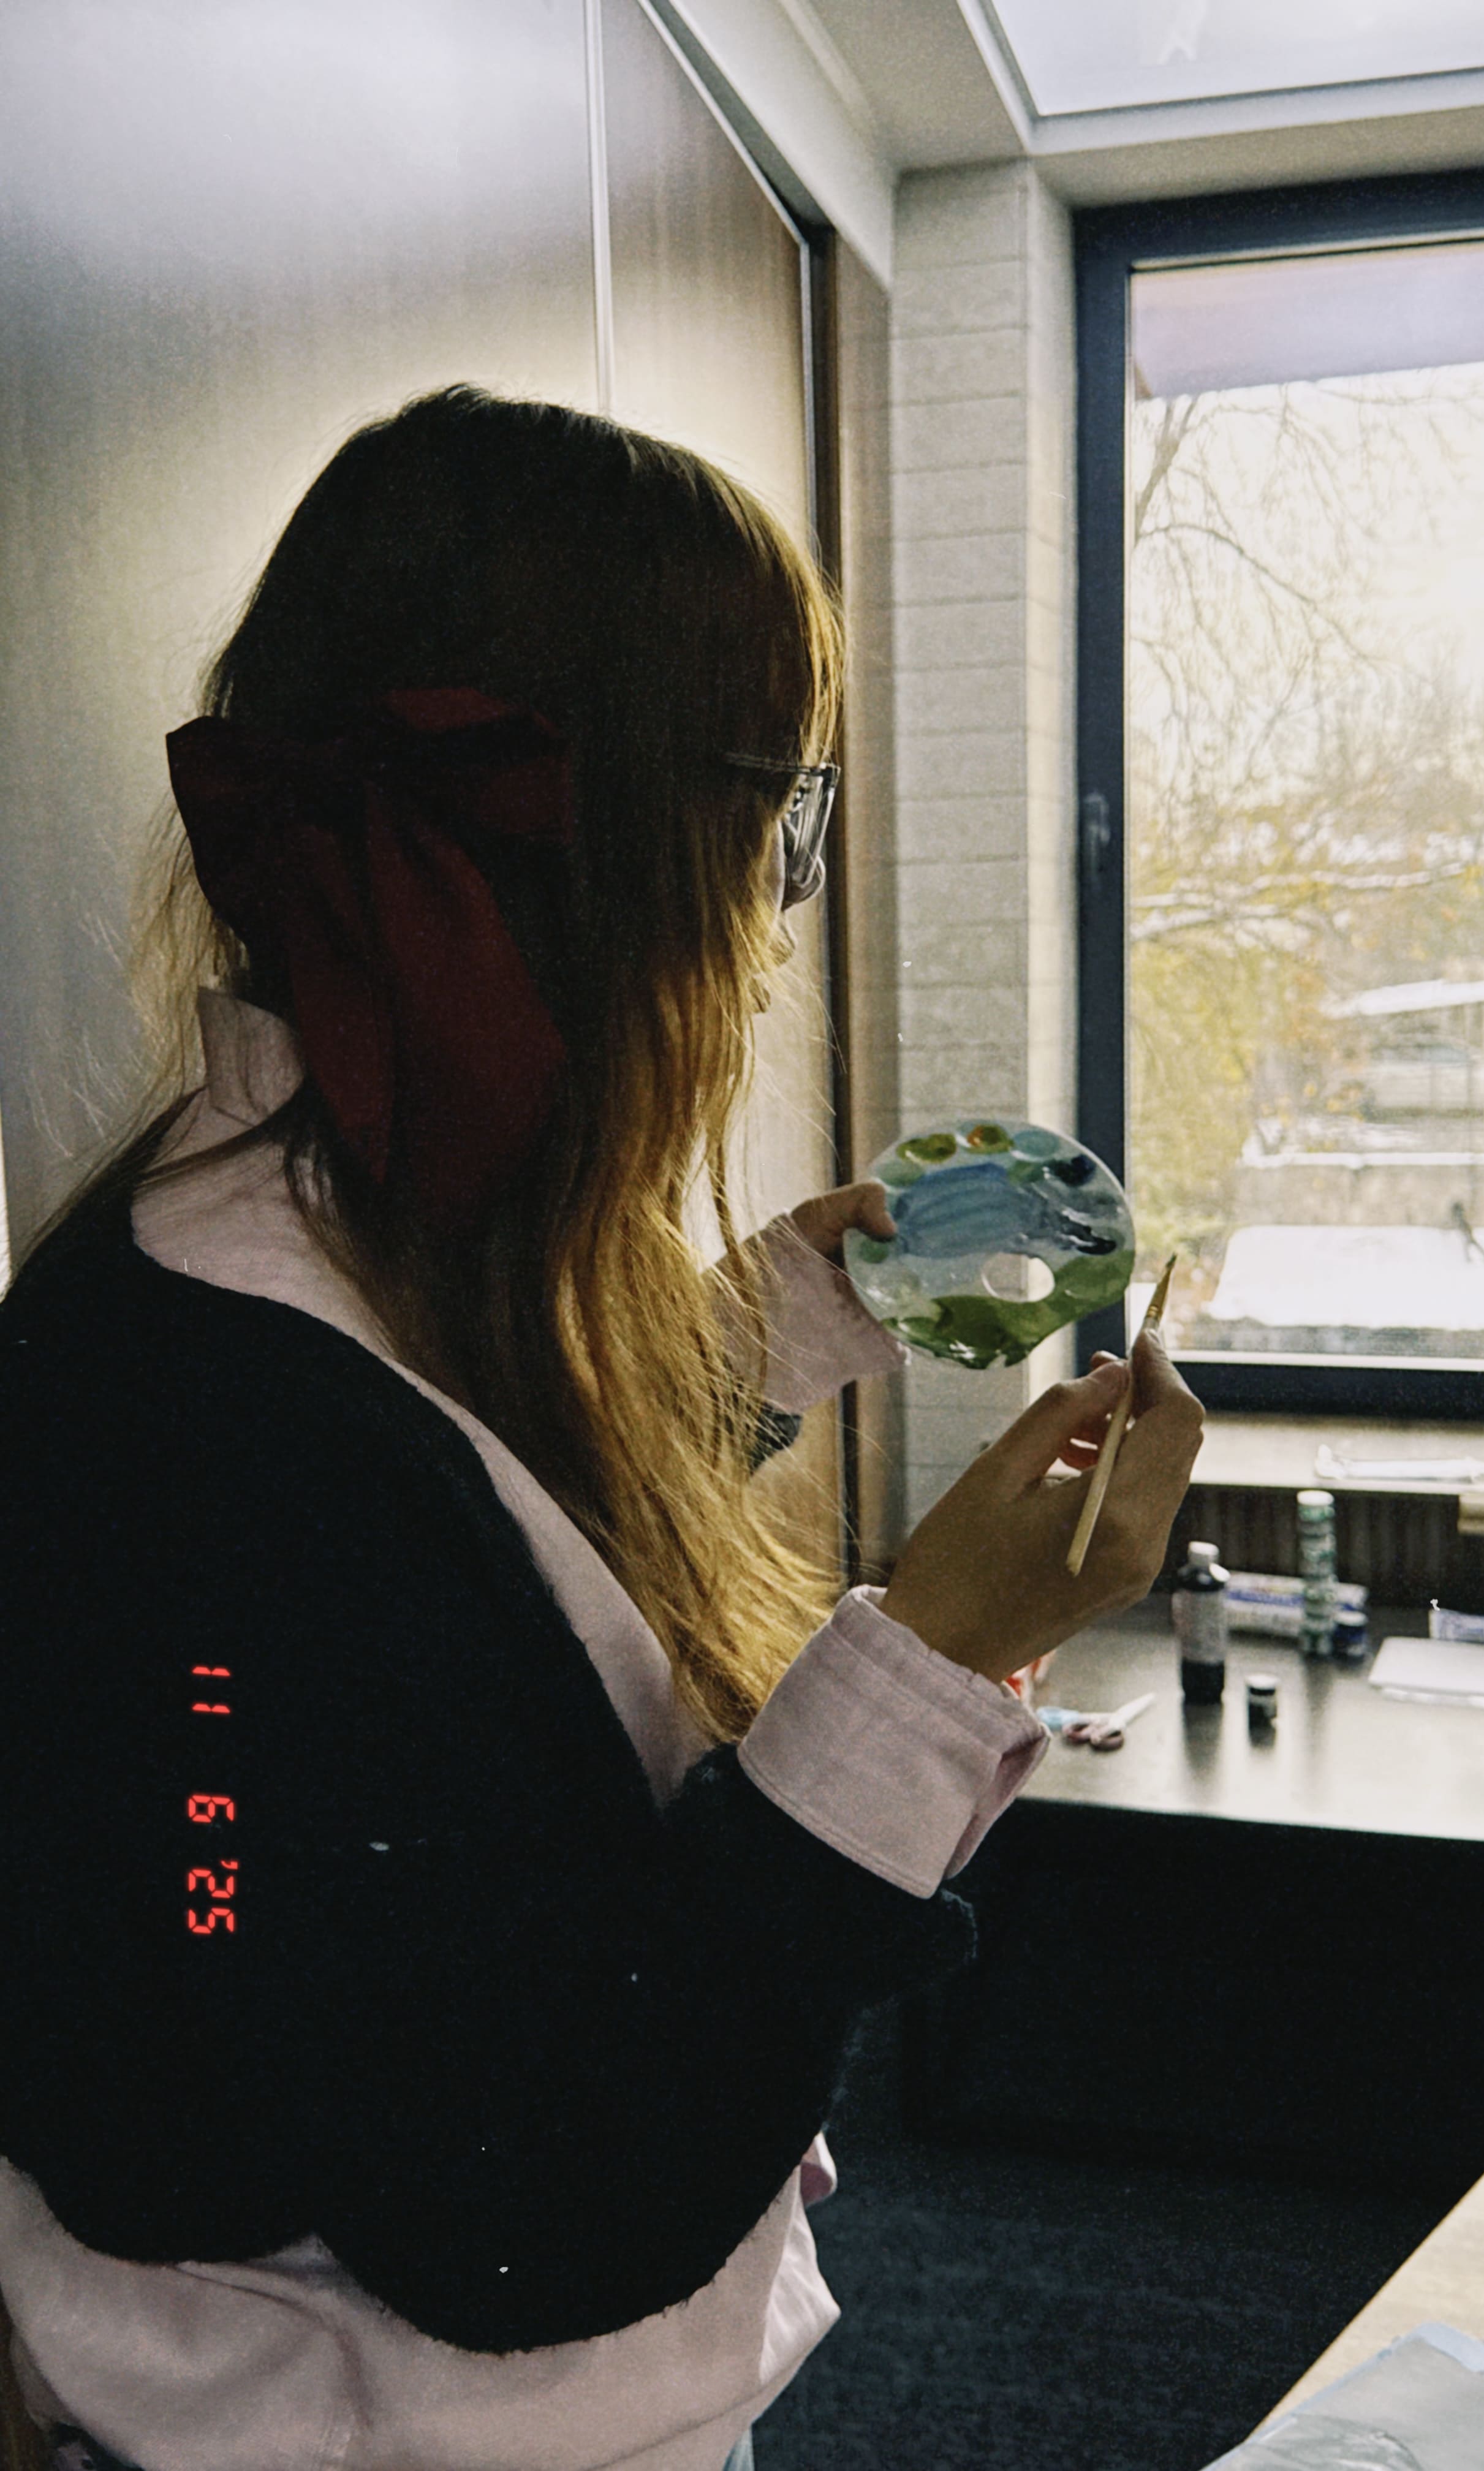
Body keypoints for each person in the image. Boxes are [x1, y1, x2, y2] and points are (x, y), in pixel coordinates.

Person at [0, 385, 1203, 2471]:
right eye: (777, 822)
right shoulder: (218, 1423)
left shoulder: (315, 1242)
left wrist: (789, 1307)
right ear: (630, 846)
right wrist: (927, 1664)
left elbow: (460, 1579)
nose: (773, 921)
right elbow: (522, 2205)